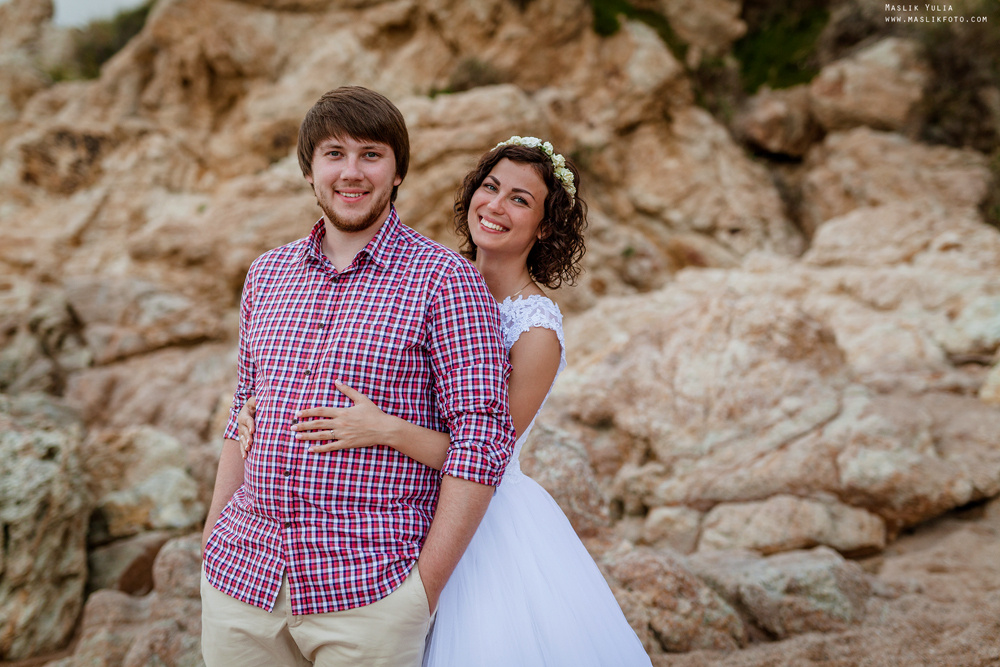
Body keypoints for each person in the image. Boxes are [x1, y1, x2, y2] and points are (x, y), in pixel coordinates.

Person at [240, 136, 653, 665]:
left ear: (545, 226)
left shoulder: (534, 331)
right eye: (490, 187)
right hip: (389, 520)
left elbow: (488, 453)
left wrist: (384, 428)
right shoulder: (433, 279)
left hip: (481, 529)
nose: (496, 206)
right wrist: (265, 411)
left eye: (520, 200)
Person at [200, 86, 517, 667]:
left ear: (398, 172)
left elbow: (483, 438)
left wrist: (424, 589)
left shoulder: (446, 280)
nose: (352, 172)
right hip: (242, 581)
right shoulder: (267, 275)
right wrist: (211, 537)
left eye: (371, 154)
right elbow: (244, 409)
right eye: (334, 154)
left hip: (369, 588)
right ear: (309, 169)